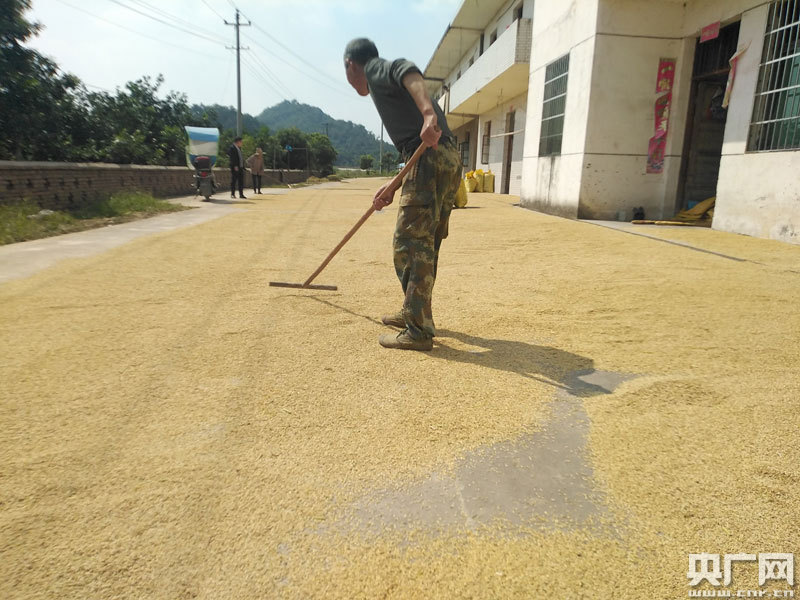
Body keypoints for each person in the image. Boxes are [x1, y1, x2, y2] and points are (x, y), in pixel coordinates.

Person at [344, 38, 461, 351]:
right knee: (425, 243)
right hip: (443, 156)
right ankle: (413, 310)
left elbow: (406, 70)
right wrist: (393, 186)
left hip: (429, 155)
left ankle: (418, 330)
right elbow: (412, 150)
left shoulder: (375, 69)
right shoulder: (380, 85)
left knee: (408, 243)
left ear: (350, 65)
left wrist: (428, 114)